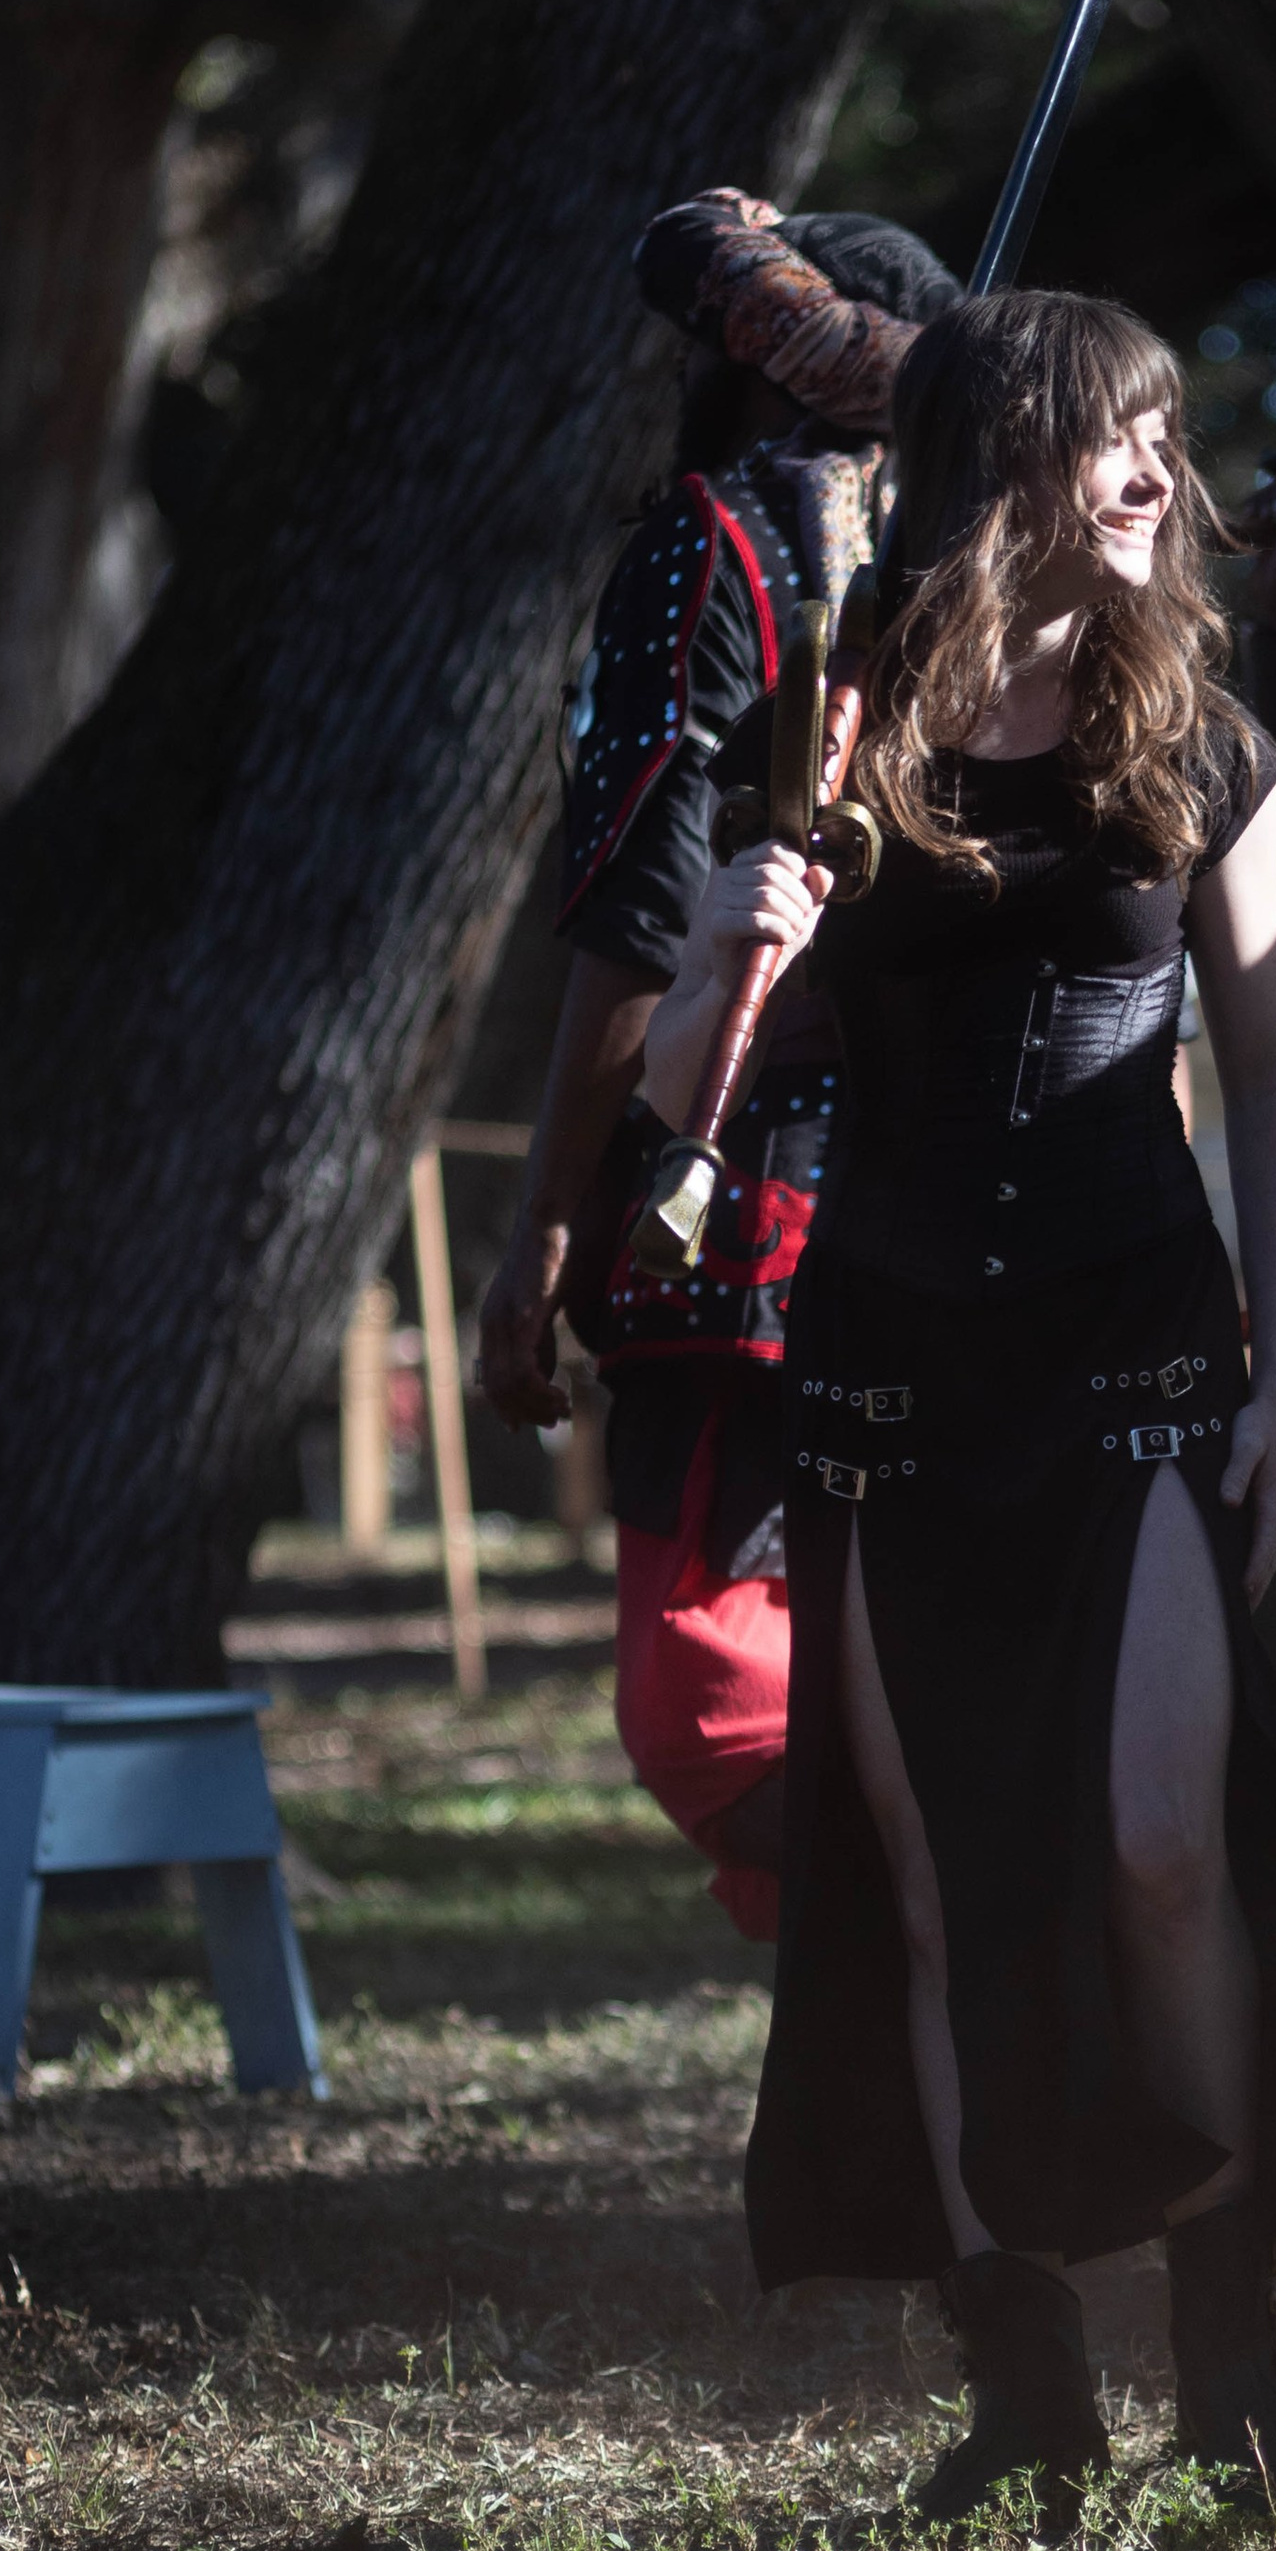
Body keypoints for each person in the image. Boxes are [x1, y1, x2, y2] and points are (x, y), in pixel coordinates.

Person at [642, 287, 1276, 2518]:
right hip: (885, 1362)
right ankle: (1023, 2387)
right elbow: (688, 1085)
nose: (1164, 480)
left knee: (1156, 1843)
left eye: (1164, 438)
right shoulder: (838, 732)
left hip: (1135, 1341)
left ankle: (1228, 2344)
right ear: (1012, 464)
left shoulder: (1205, 738)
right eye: (1121, 440)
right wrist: (724, 938)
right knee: (927, 1892)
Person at [475, 191, 959, 1941]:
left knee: (723, 1712)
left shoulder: (722, 541)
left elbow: (635, 907)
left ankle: (937, 2032)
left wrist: (542, 1233)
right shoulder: (1031, 572)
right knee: (890, 1678)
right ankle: (917, 2110)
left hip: (742, 1215)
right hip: (984, 1226)